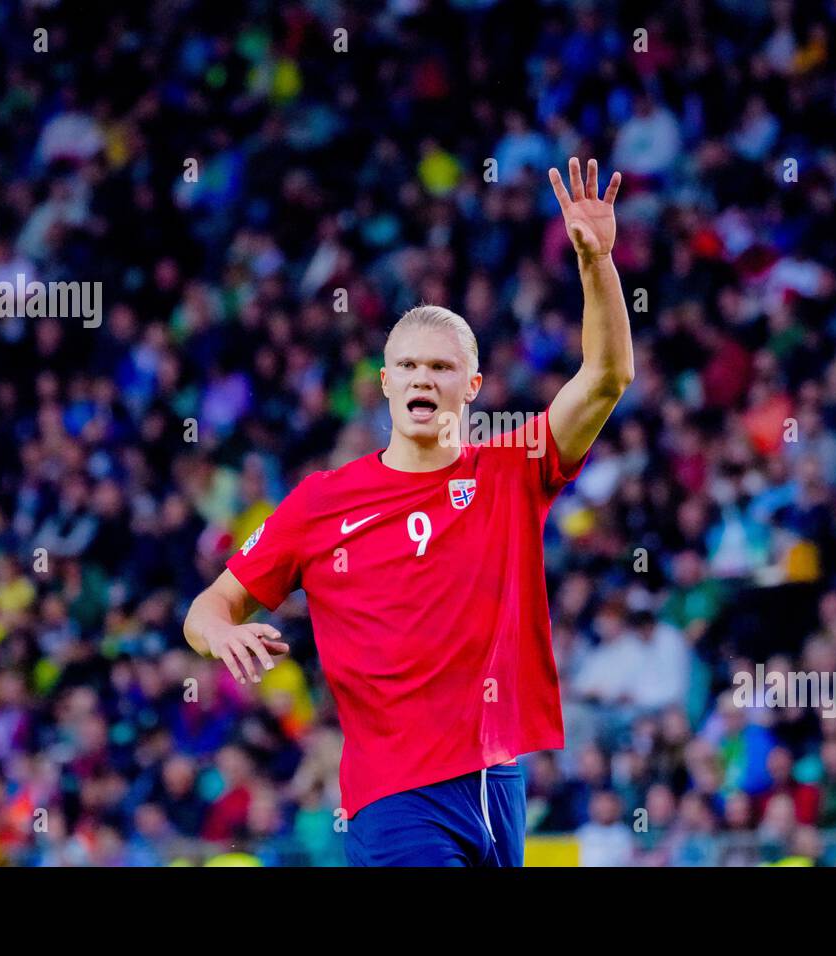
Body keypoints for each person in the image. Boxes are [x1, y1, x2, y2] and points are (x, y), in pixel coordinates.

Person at [183, 158, 633, 866]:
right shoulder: (320, 503)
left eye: (442, 367)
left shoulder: (509, 469)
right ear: (387, 382)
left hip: (498, 781)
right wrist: (220, 634)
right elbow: (209, 607)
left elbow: (607, 377)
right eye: (411, 367)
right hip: (394, 795)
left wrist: (596, 263)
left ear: (473, 385)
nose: (425, 377)